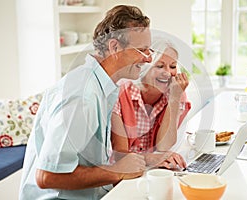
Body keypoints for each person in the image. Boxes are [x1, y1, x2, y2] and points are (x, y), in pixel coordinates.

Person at [19, 5, 152, 200]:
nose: (148, 58)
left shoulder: (102, 87)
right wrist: (117, 172)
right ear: (115, 47)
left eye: (149, 50)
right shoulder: (83, 96)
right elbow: (47, 176)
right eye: (141, 50)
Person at [111, 38, 191, 169]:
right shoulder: (120, 93)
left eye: (172, 66)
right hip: (123, 172)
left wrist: (174, 99)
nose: (168, 73)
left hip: (153, 169)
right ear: (145, 67)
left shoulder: (176, 92)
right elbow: (119, 154)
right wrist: (150, 158)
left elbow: (164, 145)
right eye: (159, 66)